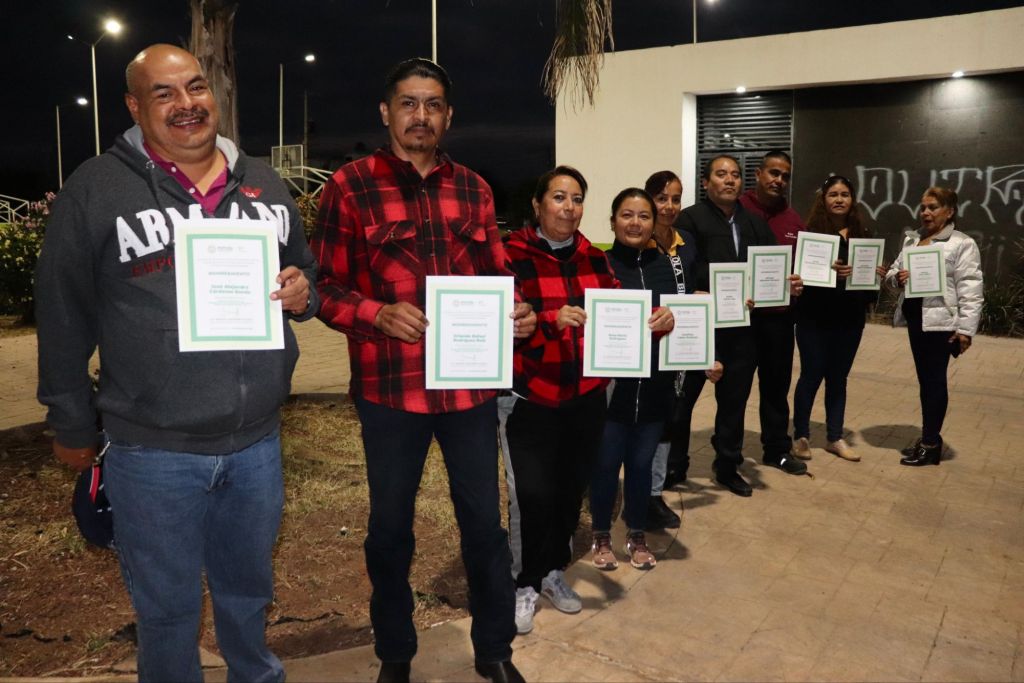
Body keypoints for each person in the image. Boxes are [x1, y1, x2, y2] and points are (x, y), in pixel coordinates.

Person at [35, 44, 318, 683]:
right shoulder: (97, 188)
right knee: (166, 610)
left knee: (249, 592)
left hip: (256, 443)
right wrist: (71, 422)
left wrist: (305, 293)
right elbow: (61, 312)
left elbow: (306, 271)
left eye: (195, 87)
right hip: (151, 451)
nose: (186, 104)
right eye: (163, 93)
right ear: (135, 107)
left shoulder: (264, 183)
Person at [310, 58, 533, 683]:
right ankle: (396, 654)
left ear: (448, 116)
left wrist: (515, 312)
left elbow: (497, 276)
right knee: (389, 531)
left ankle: (493, 650)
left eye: (433, 105)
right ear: (386, 112)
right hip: (391, 393)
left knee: (484, 527)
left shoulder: (474, 190)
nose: (420, 116)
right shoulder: (349, 187)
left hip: (468, 392)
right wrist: (376, 314)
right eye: (408, 103)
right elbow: (322, 287)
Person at [500, 166, 619, 634]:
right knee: (532, 495)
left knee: (570, 492)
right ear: (537, 204)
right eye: (558, 197)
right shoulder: (510, 255)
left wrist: (655, 321)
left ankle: (552, 570)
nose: (569, 207)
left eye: (577, 199)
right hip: (532, 396)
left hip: (586, 397)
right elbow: (503, 320)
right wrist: (550, 320)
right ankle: (524, 583)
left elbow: (619, 313)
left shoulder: (596, 258)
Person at [677, 155, 804, 497]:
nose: (730, 180)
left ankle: (727, 465)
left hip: (742, 329)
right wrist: (701, 291)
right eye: (721, 174)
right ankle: (674, 465)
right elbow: (683, 269)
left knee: (734, 401)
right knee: (683, 401)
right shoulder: (690, 219)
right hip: (701, 326)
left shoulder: (754, 223)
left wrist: (786, 284)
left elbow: (770, 269)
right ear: (706, 182)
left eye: (734, 174)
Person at [589, 188, 676, 570]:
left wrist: (672, 318)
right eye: (627, 215)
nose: (635, 223)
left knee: (641, 466)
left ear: (653, 224)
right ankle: (601, 536)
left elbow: (679, 315)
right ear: (613, 222)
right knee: (606, 466)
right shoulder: (599, 265)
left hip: (655, 386)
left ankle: (637, 535)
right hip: (611, 389)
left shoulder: (665, 267)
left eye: (643, 216)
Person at [644, 171, 723, 531]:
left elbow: (693, 290)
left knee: (671, 420)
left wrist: (700, 300)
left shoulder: (687, 241)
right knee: (648, 423)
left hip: (681, 348)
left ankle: (653, 493)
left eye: (676, 198)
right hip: (650, 346)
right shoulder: (639, 243)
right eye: (662, 198)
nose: (670, 206)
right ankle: (641, 493)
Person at [885, 187, 982, 466]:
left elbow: (971, 288)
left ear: (949, 212)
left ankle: (930, 445)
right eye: (923, 207)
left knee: (934, 381)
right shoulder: (913, 240)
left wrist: (966, 330)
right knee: (926, 381)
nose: (925, 212)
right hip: (916, 321)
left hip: (941, 324)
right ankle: (929, 437)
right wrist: (897, 278)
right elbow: (892, 273)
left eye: (933, 207)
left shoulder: (962, 244)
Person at [792, 176, 884, 462]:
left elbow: (869, 286)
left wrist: (876, 274)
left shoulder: (863, 234)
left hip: (850, 318)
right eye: (833, 194)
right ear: (823, 199)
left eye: (845, 194)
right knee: (811, 375)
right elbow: (800, 278)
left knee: (838, 378)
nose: (839, 199)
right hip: (814, 317)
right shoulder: (810, 235)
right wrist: (826, 271)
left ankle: (835, 437)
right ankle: (801, 436)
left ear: (852, 200)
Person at [738, 151, 808, 471]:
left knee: (776, 388)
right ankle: (729, 453)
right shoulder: (737, 211)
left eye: (785, 176)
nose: (779, 180)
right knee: (735, 390)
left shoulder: (794, 221)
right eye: (774, 173)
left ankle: (777, 449)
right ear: (758, 173)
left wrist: (800, 281)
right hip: (742, 318)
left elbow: (803, 269)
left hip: (779, 319)